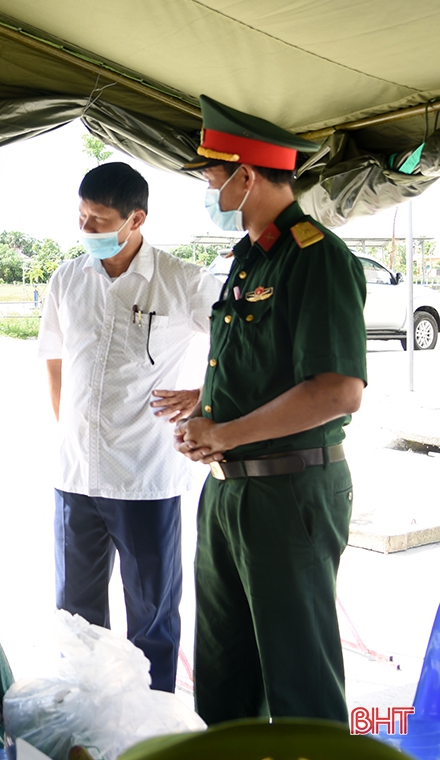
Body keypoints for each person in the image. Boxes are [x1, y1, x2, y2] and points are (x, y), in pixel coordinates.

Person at [175, 95, 367, 724]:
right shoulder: (247, 259)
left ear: (247, 174)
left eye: (212, 171)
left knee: (299, 682)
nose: (207, 184)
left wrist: (224, 431)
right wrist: (203, 415)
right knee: (225, 679)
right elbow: (253, 367)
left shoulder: (316, 257)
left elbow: (338, 390)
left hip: (291, 493)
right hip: (229, 491)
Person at [38, 162, 221, 693]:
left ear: (136, 218)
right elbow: (52, 358)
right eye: (81, 217)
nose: (86, 230)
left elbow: (246, 345)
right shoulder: (67, 279)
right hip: (76, 479)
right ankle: (84, 719)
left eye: (98, 220)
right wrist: (67, 429)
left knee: (153, 619)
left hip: (145, 479)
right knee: (76, 617)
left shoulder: (181, 281)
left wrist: (204, 395)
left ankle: (152, 724)